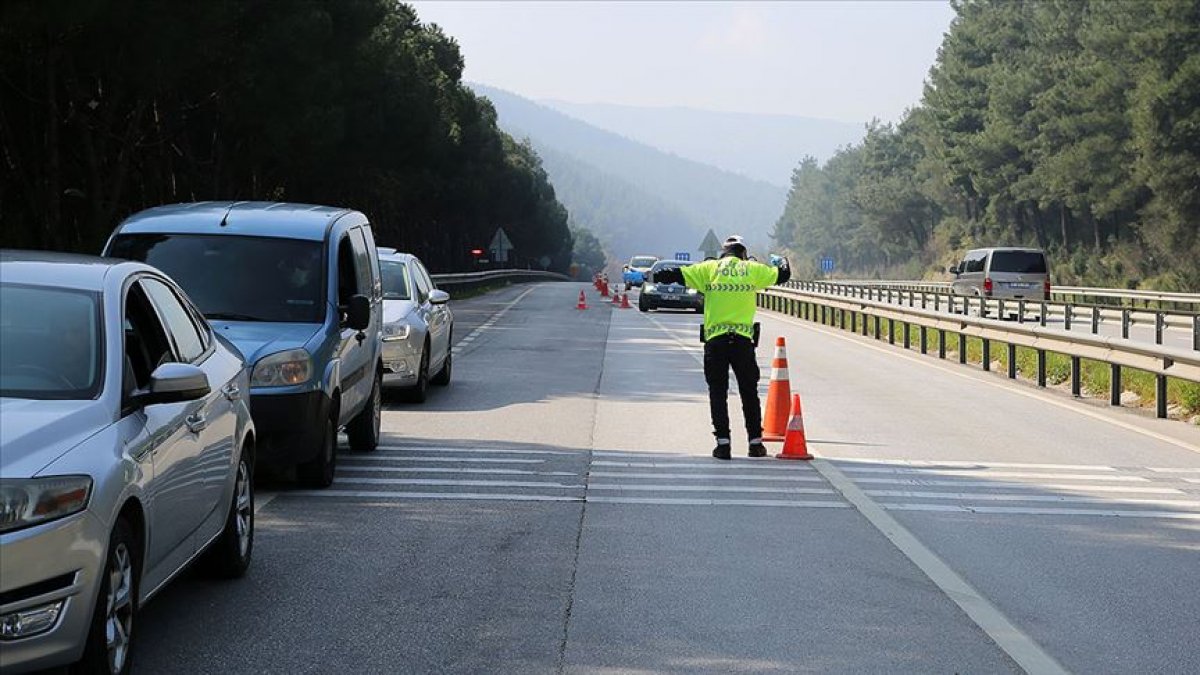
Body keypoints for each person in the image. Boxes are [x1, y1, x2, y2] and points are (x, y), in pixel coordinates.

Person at [653, 235, 791, 460]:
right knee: (749, 391)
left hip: (715, 341)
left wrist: (658, 272)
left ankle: (723, 444)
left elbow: (673, 275)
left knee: (718, 392)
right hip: (742, 342)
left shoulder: (710, 268)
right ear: (742, 254)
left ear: (723, 254)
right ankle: (755, 444)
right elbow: (783, 275)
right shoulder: (752, 269)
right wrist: (781, 261)